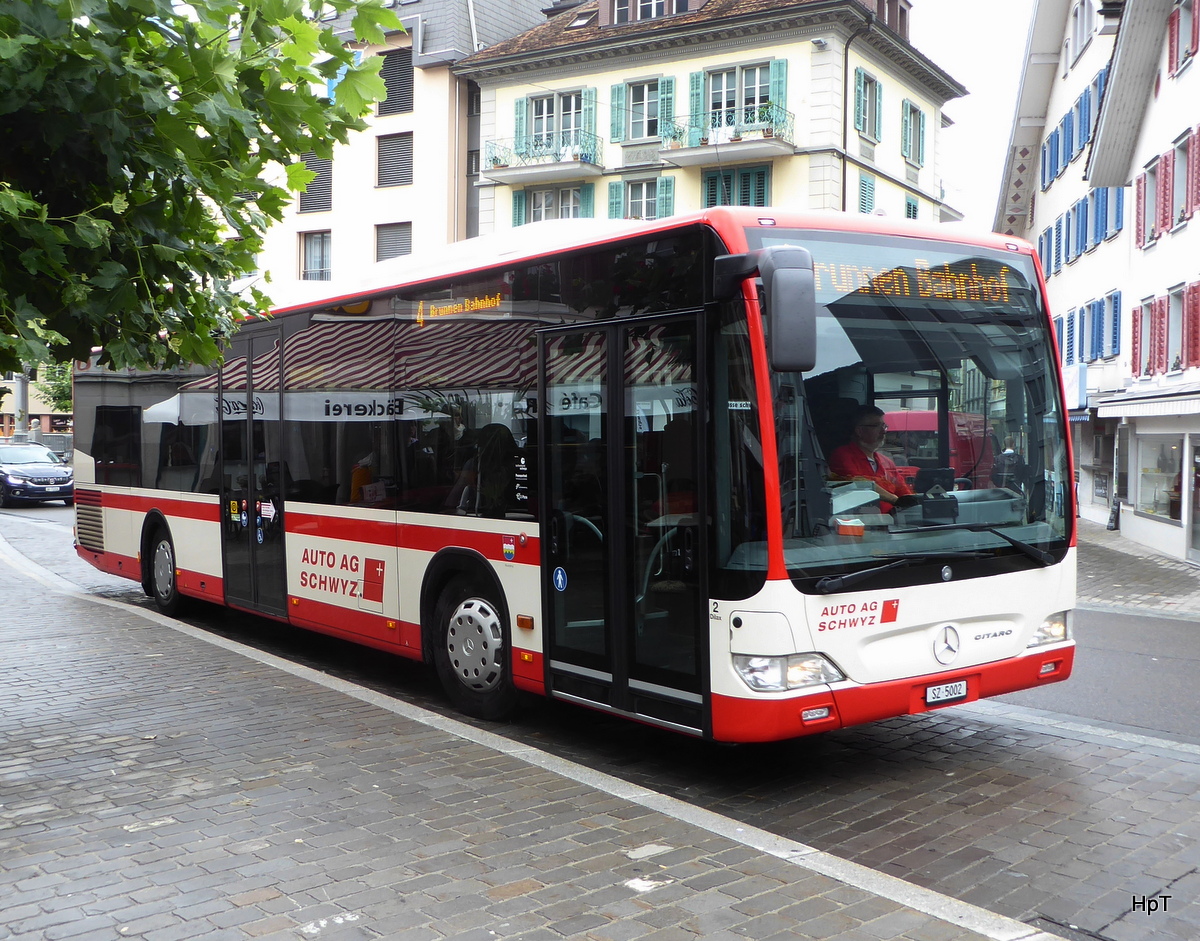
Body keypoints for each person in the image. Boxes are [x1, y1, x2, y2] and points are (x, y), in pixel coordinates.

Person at [827, 404, 914, 513]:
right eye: (877, 426)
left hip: (894, 524)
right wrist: (895, 500)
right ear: (859, 431)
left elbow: (904, 492)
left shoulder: (887, 462)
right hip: (863, 523)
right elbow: (861, 486)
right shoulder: (842, 456)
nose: (883, 431)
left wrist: (914, 502)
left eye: (884, 426)